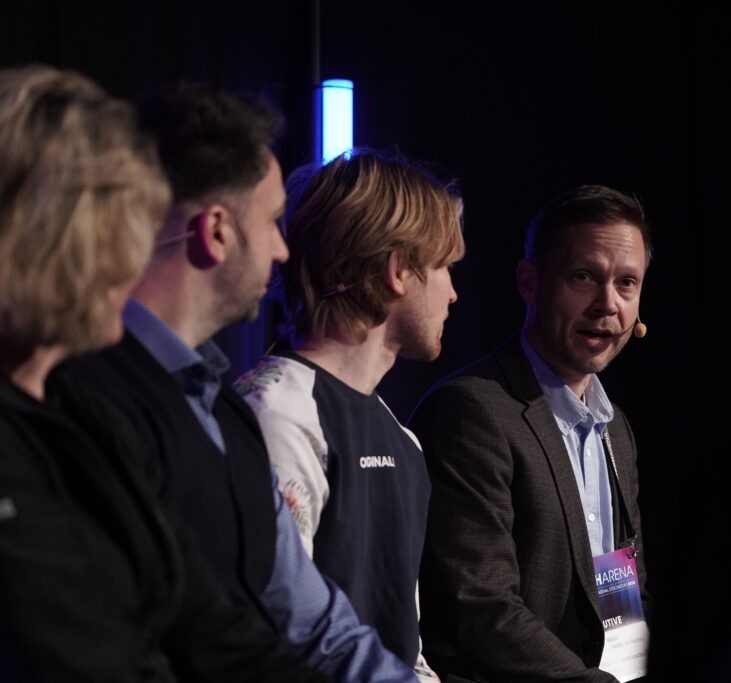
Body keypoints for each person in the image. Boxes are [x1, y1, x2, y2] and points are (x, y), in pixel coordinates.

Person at [50, 83, 417, 682]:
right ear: (216, 231)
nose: (282, 250)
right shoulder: (85, 397)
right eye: (273, 222)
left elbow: (314, 622)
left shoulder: (222, 409)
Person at [0, 63, 330, 682]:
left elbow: (208, 623)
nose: (140, 252)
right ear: (32, 235)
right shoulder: (92, 406)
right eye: (123, 222)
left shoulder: (81, 420)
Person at [233, 147, 466, 683]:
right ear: (398, 271)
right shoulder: (277, 418)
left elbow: (404, 647)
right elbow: (274, 639)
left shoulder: (403, 439)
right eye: (445, 267)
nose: (454, 292)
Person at [405, 184, 654, 682]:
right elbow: (479, 609)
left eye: (626, 283)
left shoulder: (615, 427)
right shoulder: (472, 410)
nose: (608, 304)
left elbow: (622, 591)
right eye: (584, 277)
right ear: (529, 281)